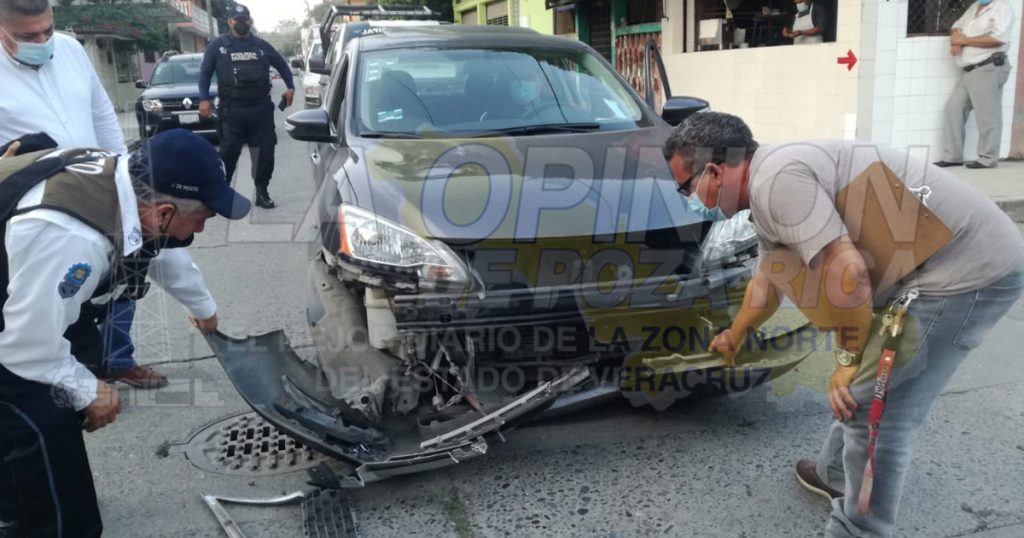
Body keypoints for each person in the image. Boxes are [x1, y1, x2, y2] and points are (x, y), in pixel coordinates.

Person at [662, 112, 1024, 537]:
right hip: (930, 265)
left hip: (963, 272)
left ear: (714, 171)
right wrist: (735, 334)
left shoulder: (777, 182)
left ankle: (859, 529)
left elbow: (849, 271)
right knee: (860, 391)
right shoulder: (766, 184)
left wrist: (849, 358)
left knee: (874, 409)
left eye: (686, 187)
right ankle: (835, 473)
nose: (690, 198)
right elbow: (768, 280)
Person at [0, 128, 250, 536]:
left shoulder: (131, 187)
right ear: (165, 210)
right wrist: (87, 390)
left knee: (77, 372)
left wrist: (203, 308)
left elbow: (156, 248)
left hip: (27, 292)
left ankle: (15, 504)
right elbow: (25, 347)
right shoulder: (72, 237)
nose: (202, 230)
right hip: (16, 329)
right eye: (203, 217)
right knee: (42, 431)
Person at [0, 0, 172, 389]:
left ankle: (116, 359)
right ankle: (63, 375)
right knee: (52, 295)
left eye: (47, 30)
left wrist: (127, 175)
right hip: (38, 206)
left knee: (125, 276)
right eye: (29, 36)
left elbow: (101, 113)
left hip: (100, 186)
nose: (43, 41)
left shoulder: (71, 50)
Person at [198, 3, 295, 209]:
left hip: (260, 110)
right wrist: (204, 99)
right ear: (230, 22)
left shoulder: (261, 46)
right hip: (232, 110)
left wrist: (291, 87)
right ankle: (220, 194)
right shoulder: (218, 46)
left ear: (250, 21)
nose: (241, 23)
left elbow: (282, 65)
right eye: (236, 20)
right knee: (228, 154)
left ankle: (262, 192)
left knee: (265, 154)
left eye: (244, 20)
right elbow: (205, 72)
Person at [934, 0, 1015, 169]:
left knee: (988, 116)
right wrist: (956, 39)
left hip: (987, 67)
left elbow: (998, 38)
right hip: (968, 70)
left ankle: (988, 158)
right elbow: (957, 26)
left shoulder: (1002, 7)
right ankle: (953, 157)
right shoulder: (975, 7)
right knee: (953, 109)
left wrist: (965, 40)